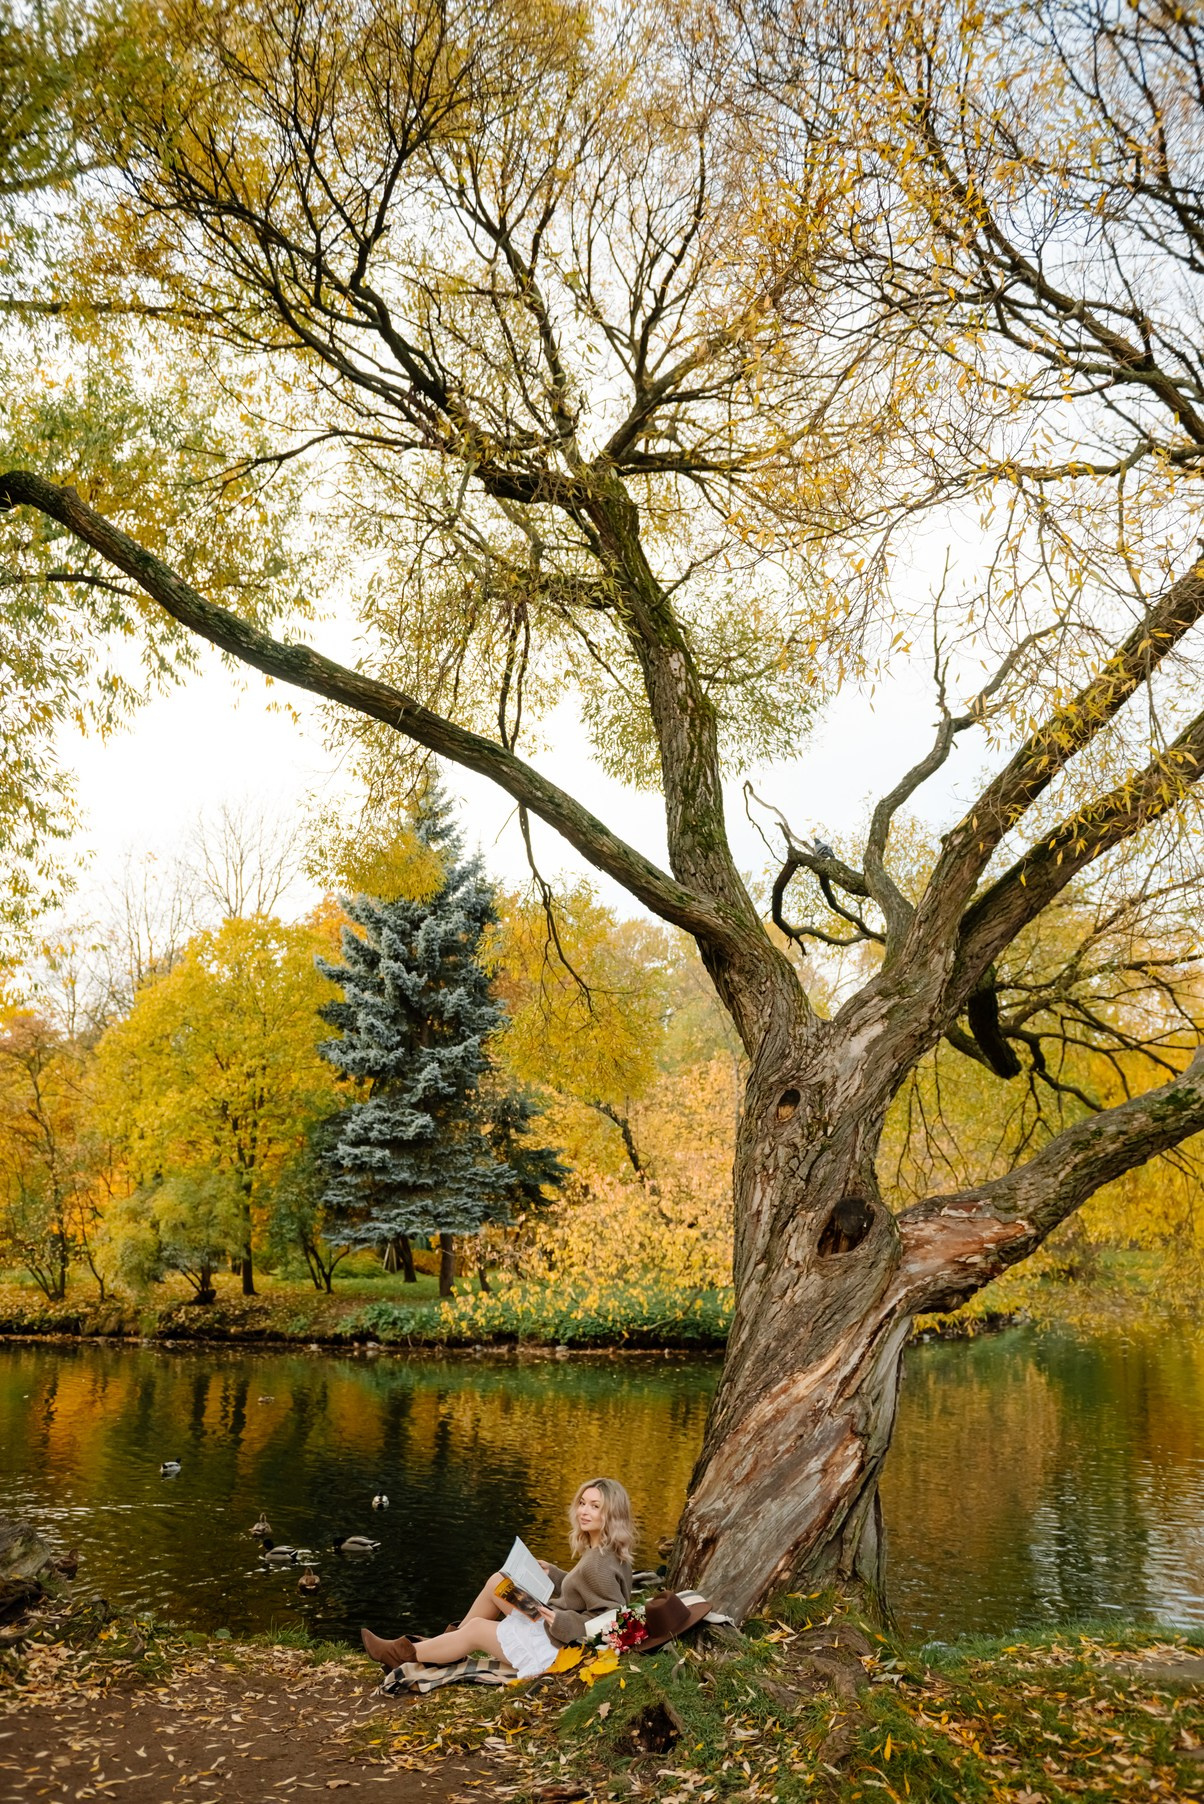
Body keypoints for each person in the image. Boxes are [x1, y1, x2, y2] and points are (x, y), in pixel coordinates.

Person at [360, 1476, 634, 1680]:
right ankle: (445, 1649)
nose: (583, 1511)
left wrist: (561, 1620)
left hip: (559, 1648)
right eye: (582, 1503)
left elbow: (609, 1620)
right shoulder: (604, 1551)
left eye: (595, 1506)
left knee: (478, 1628)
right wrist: (556, 1575)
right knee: (498, 1583)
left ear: (611, 1514)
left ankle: (401, 1654)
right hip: (558, 1631)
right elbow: (584, 1591)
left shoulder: (599, 1562)